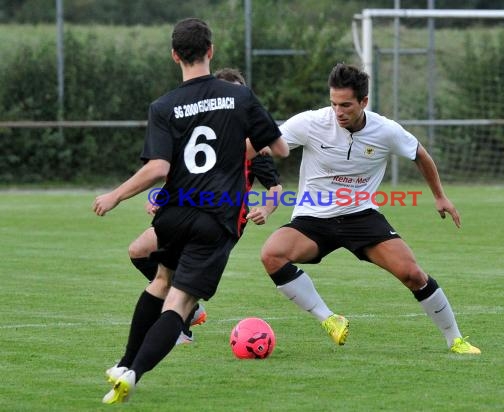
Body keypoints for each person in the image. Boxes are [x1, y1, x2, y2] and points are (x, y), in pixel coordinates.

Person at [92, 18, 288, 404]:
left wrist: (116, 196)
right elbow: (279, 149)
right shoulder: (239, 98)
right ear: (210, 51)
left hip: (175, 212)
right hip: (216, 217)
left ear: (174, 55)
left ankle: (123, 362)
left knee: (161, 280)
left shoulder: (163, 106)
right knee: (180, 303)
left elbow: (158, 169)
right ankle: (134, 373)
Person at [260, 63, 480, 355]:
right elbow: (264, 145)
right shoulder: (311, 123)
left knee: (413, 274)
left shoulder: (385, 130)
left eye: (346, 105)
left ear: (364, 102)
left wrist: (440, 196)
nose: (338, 111)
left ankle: (455, 339)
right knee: (271, 255)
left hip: (360, 216)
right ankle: (329, 319)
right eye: (334, 103)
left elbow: (420, 155)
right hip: (313, 217)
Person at [127, 67, 283, 345]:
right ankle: (189, 310)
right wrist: (163, 198)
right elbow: (185, 172)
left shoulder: (247, 140)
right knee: (139, 251)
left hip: (223, 218)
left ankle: (180, 326)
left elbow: (275, 187)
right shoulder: (199, 128)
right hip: (185, 210)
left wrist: (267, 209)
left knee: (182, 274)